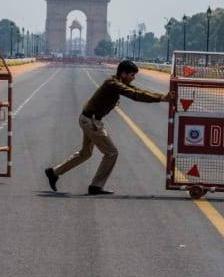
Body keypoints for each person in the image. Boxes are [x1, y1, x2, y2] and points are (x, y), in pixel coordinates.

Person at [45, 60, 176, 195]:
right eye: (132, 75)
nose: (134, 78)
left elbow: (137, 90)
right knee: (112, 153)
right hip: (91, 122)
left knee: (85, 154)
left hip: (90, 120)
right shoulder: (112, 83)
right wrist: (162, 98)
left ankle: (54, 172)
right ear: (123, 74)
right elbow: (135, 95)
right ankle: (96, 186)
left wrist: (161, 97)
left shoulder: (117, 82)